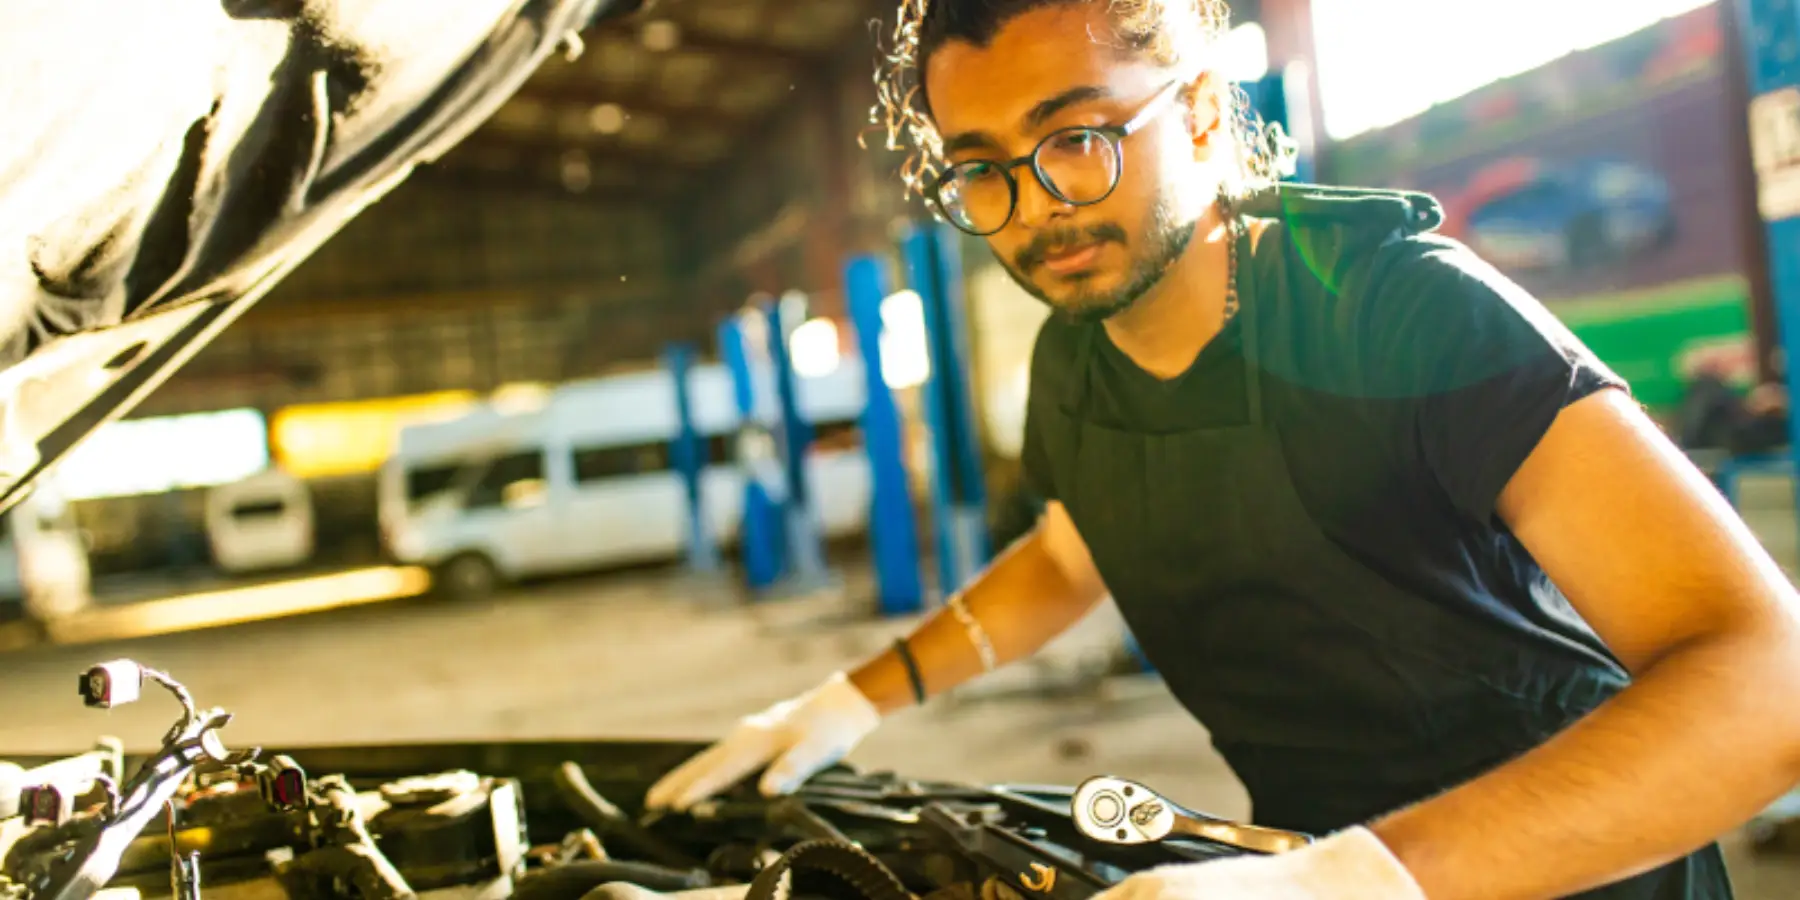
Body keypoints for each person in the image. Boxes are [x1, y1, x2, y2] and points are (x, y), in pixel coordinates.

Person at [645, 1, 1800, 897]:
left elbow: (1766, 684)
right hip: (1297, 865)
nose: (1036, 205)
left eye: (1079, 138)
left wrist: (1357, 879)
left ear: (1199, 111)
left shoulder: (1397, 309)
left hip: (1567, 872)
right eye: (981, 169)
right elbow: (1071, 554)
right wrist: (848, 699)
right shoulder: (1075, 360)